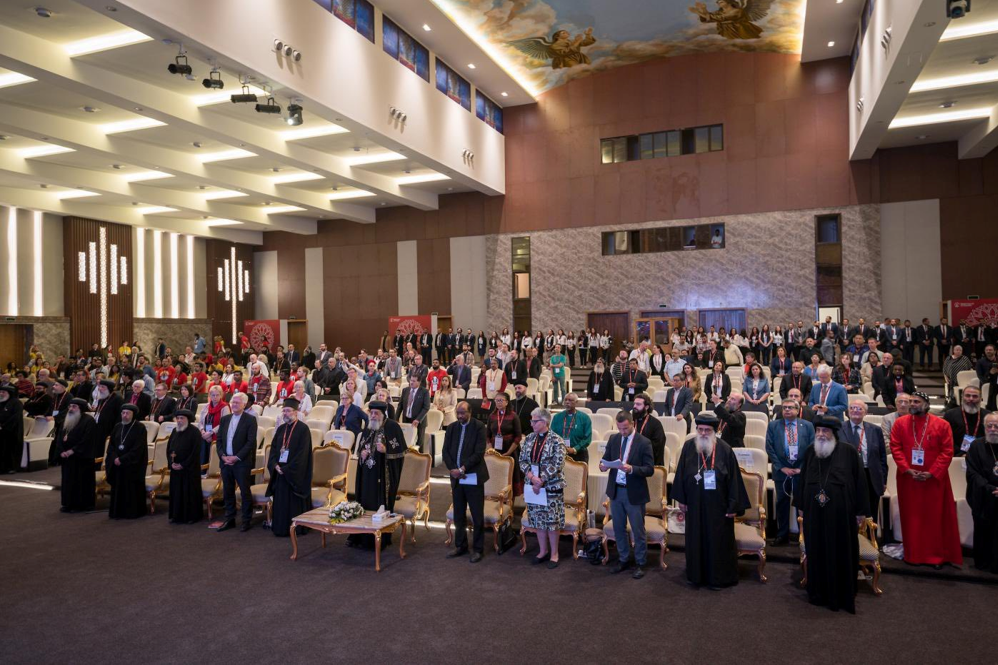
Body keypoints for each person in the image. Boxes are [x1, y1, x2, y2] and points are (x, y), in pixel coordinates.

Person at [793, 416, 871, 613]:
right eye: (818, 431)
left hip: (841, 516)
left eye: (825, 431)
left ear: (834, 433)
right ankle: (818, 593)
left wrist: (861, 511)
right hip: (815, 514)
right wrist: (800, 505)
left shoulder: (848, 452)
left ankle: (841, 594)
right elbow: (802, 480)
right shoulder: (811, 451)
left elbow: (860, 482)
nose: (820, 435)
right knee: (817, 550)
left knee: (840, 551)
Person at [672, 413, 750, 589]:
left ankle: (718, 578)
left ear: (715, 431)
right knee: (695, 539)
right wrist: (681, 499)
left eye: (707, 430)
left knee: (717, 542)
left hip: (718, 506)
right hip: (694, 504)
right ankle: (696, 576)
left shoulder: (725, 449)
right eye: (700, 429)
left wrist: (733, 506)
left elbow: (734, 481)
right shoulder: (688, 447)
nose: (703, 433)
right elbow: (681, 474)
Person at [889, 392, 963, 568]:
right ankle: (913, 555)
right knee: (912, 518)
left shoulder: (942, 424)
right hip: (908, 480)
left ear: (926, 404)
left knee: (934, 519)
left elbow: (947, 451)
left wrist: (932, 472)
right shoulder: (900, 423)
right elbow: (895, 447)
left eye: (917, 401)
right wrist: (906, 469)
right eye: (910, 401)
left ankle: (935, 556)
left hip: (934, 480)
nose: (912, 404)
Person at [601, 410, 655, 579]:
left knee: (638, 530)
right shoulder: (614, 439)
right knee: (618, 528)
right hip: (616, 490)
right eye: (619, 428)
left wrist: (632, 469)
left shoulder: (644, 442)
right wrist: (603, 466)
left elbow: (650, 469)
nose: (622, 431)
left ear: (632, 424)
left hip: (634, 492)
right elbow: (605, 459)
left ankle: (640, 562)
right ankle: (623, 559)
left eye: (625, 428)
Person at [352, 402, 407, 549]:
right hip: (367, 476)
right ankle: (363, 537)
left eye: (376, 413)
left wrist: (386, 450)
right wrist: (362, 454)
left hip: (383, 477)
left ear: (383, 414)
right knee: (364, 504)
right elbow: (361, 448)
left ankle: (380, 539)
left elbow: (401, 452)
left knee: (379, 506)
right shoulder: (368, 427)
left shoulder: (393, 427)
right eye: (371, 413)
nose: (373, 416)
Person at [519, 408, 566, 568]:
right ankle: (543, 551)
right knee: (538, 520)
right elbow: (522, 460)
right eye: (531, 421)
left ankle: (554, 554)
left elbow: (557, 463)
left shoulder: (556, 440)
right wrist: (533, 478)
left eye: (534, 421)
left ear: (544, 422)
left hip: (551, 486)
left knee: (552, 522)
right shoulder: (529, 438)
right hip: (533, 485)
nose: (531, 424)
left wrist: (542, 480)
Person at [443, 401, 489, 563]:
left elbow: (479, 452)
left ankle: (478, 549)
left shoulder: (479, 427)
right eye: (458, 412)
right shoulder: (452, 427)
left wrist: (462, 469)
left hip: (472, 476)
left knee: (477, 515)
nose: (460, 415)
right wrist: (453, 469)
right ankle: (460, 545)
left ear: (470, 412)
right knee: (459, 513)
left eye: (463, 413)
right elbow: (445, 451)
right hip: (456, 477)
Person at [765, 400, 814, 545]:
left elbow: (812, 448)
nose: (787, 410)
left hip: (801, 471)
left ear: (797, 410)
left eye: (790, 407)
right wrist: (782, 467)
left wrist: (802, 468)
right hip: (782, 471)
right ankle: (782, 535)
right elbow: (769, 448)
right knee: (782, 503)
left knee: (802, 504)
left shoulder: (807, 425)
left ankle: (804, 536)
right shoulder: (773, 425)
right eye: (784, 407)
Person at [265, 398, 312, 538]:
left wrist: (287, 469)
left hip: (294, 475)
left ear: (296, 412)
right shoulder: (281, 429)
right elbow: (273, 450)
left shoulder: (303, 429)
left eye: (288, 411)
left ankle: (297, 528)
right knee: (281, 502)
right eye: (284, 411)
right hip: (280, 472)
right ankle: (280, 528)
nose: (285, 413)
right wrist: (274, 465)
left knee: (293, 503)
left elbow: (303, 454)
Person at [215, 392, 257, 532]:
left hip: (241, 462)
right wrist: (222, 456)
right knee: (228, 491)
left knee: (244, 491)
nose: (234, 405)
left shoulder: (250, 419)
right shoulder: (225, 419)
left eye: (237, 403)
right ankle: (230, 519)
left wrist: (236, 457)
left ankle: (246, 520)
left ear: (244, 404)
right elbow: (219, 440)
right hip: (225, 461)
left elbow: (250, 442)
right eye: (233, 402)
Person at [840, 400, 889, 519]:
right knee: (849, 512)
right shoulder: (839, 428)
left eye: (859, 408)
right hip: (848, 475)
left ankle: (870, 531)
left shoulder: (875, 430)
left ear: (865, 412)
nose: (855, 411)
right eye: (852, 408)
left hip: (871, 475)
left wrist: (883, 480)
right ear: (847, 412)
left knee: (871, 513)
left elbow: (882, 457)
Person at [966, 413, 998, 573]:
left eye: (996, 426)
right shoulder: (976, 446)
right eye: (989, 426)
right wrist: (990, 488)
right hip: (983, 496)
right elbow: (972, 473)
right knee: (983, 531)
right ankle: (983, 563)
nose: (993, 429)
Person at [105, 403, 148, 519]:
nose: (125, 415)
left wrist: (122, 459)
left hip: (131, 465)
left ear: (133, 415)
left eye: (127, 413)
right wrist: (114, 458)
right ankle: (117, 512)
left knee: (130, 489)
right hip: (117, 464)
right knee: (118, 488)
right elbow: (111, 446)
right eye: (123, 413)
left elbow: (138, 449)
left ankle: (131, 512)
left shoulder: (140, 428)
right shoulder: (118, 426)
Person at [57, 398, 98, 511]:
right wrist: (61, 451)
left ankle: (81, 505)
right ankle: (68, 504)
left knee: (81, 482)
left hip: (82, 458)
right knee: (68, 481)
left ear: (81, 408)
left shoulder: (89, 421)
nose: (71, 409)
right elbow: (60, 437)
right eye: (70, 406)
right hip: (67, 458)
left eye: (74, 407)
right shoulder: (66, 419)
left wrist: (73, 451)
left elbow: (87, 440)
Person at [166, 410, 204, 524]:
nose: (179, 421)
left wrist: (183, 464)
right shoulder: (175, 431)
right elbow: (169, 449)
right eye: (177, 418)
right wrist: (171, 463)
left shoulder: (195, 432)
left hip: (190, 469)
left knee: (189, 492)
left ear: (188, 419)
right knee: (176, 492)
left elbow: (195, 452)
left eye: (182, 418)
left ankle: (191, 516)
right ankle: (176, 516)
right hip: (175, 469)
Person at [943, 385, 990, 457]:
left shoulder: (988, 416)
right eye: (967, 396)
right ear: (962, 397)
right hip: (956, 456)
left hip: (982, 456)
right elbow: (946, 438)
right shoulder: (950, 414)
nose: (971, 399)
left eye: (975, 396)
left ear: (981, 398)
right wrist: (960, 454)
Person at [551, 393, 592, 463]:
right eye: (565, 400)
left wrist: (574, 449)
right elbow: (552, 435)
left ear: (576, 402)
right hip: (560, 453)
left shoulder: (584, 418)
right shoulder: (557, 417)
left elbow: (587, 439)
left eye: (570, 400)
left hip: (579, 454)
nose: (567, 402)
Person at [631, 393, 666, 467]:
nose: (634, 406)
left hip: (647, 462)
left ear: (646, 407)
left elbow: (658, 445)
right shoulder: (630, 421)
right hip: (630, 461)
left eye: (638, 404)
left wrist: (640, 447)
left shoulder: (655, 424)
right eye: (634, 404)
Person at [398, 374, 430, 449]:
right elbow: (400, 406)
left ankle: (420, 456)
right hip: (406, 420)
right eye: (411, 380)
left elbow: (426, 407)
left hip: (419, 422)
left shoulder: (424, 392)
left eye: (414, 381)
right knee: (406, 442)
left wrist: (418, 419)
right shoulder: (405, 390)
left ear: (419, 382)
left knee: (419, 444)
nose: (411, 382)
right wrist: (396, 418)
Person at [487, 391, 522, 458]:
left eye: (501, 400)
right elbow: (487, 436)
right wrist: (491, 449)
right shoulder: (492, 416)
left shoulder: (513, 416)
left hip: (510, 448)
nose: (498, 402)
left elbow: (518, 437)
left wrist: (509, 452)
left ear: (507, 402)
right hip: (495, 448)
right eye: (496, 400)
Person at [0, 385, 24, 474]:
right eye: (0, 392)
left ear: (10, 393)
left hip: (13, 430)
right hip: (1, 430)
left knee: (11, 449)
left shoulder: (17, 403)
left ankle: (11, 467)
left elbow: (15, 417)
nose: (1, 394)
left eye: (3, 392)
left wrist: (4, 426)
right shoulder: (1, 402)